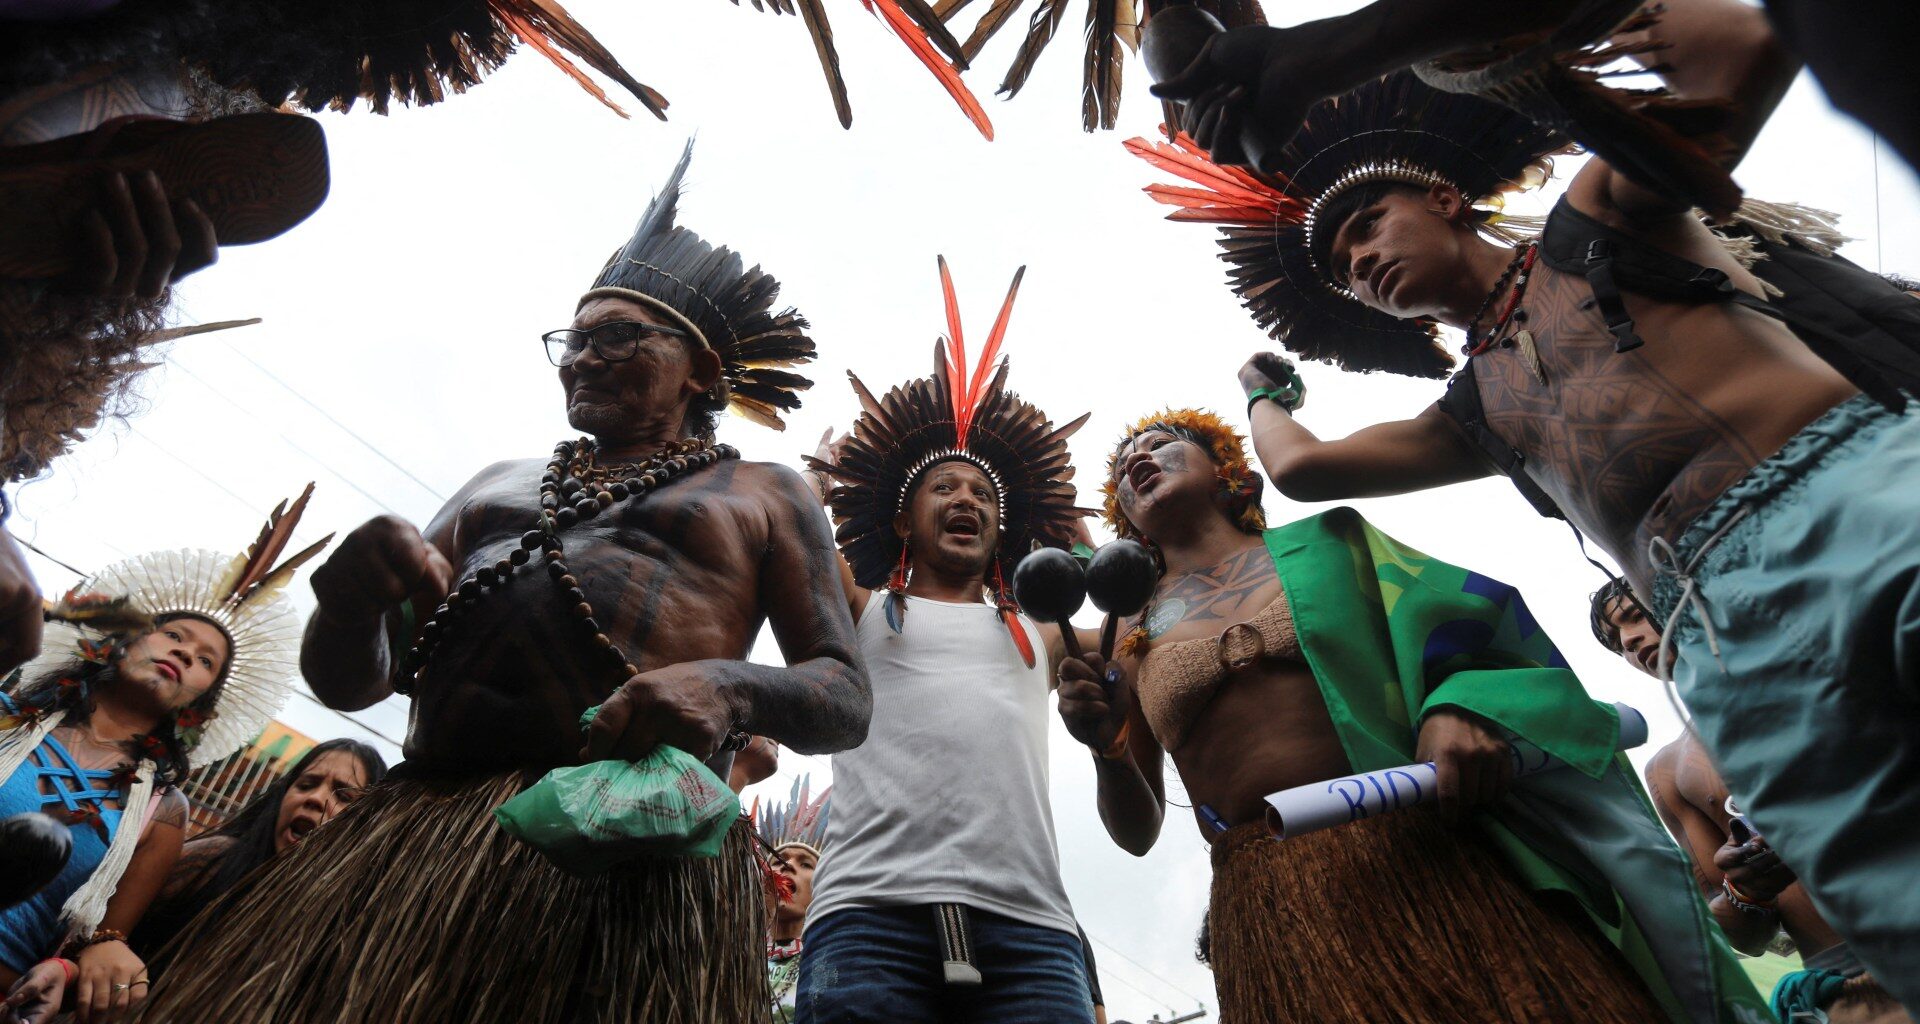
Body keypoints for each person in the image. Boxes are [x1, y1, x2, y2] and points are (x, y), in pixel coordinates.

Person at [1131, 1, 1920, 1000]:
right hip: (1725, 641)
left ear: (1445, 196)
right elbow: (1305, 471)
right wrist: (1261, 396)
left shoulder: (1597, 219)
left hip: (1852, 497)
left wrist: (1526, 48)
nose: (1361, 266)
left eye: (1369, 224)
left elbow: (1750, 46)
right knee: (1900, 899)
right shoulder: (1479, 410)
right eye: (1342, 272)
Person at [130, 143, 869, 1024]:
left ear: (700, 369)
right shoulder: (493, 484)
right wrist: (349, 600)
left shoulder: (763, 491)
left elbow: (844, 696)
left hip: (614, 858)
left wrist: (728, 682)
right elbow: (354, 680)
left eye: (617, 337)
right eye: (573, 339)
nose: (582, 359)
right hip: (413, 833)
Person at [1056, 407, 1768, 1022]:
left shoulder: (1335, 544)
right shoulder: (1129, 637)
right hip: (1272, 903)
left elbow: (1477, 631)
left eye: (1161, 440)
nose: (1138, 458)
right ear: (1126, 524)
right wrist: (1105, 749)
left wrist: (1458, 705)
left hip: (1431, 851)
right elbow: (1137, 832)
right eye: (1123, 464)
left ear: (1227, 470)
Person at [795, 258, 1098, 1023]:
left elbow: (1140, 634)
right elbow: (790, 547)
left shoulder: (1045, 631)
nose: (966, 499)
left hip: (1030, 927)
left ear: (1003, 528)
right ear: (902, 519)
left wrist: (1093, 553)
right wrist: (809, 497)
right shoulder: (856, 607)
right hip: (868, 914)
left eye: (983, 494)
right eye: (945, 487)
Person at [0, 489, 316, 1024]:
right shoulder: (8, 719)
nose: (185, 653)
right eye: (173, 635)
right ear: (119, 643)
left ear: (201, 702)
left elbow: (100, 945)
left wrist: (83, 968)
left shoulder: (164, 813)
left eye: (204, 662)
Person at [1592, 582, 1911, 1024]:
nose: (1628, 641)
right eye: (1615, 642)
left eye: (1634, 615)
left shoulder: (1821, 664)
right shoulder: (1668, 771)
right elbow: (1737, 935)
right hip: (1854, 989)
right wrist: (1747, 888)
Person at [127, 738, 388, 963]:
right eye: (306, 784)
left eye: (343, 796)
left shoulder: (346, 927)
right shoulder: (213, 860)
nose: (316, 798)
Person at [756, 774, 831, 1023]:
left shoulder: (830, 959)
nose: (787, 866)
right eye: (777, 861)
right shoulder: (737, 953)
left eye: (806, 863)